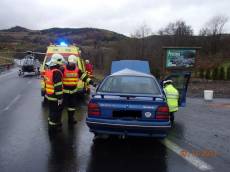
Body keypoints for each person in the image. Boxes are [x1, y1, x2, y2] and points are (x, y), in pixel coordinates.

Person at [62, 55, 95, 125]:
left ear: (75, 63)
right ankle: (58, 122)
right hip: (64, 93)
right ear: (68, 62)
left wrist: (92, 83)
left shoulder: (77, 70)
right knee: (60, 108)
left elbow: (84, 77)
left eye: (73, 63)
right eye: (71, 63)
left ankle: (71, 119)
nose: (72, 64)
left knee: (72, 107)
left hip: (73, 92)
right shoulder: (63, 69)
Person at [44, 54, 65, 132]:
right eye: (61, 62)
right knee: (56, 112)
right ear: (58, 62)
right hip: (55, 97)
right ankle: (53, 128)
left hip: (49, 95)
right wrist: (60, 98)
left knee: (52, 111)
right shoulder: (57, 72)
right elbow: (58, 87)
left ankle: (50, 123)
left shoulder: (49, 70)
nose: (62, 64)